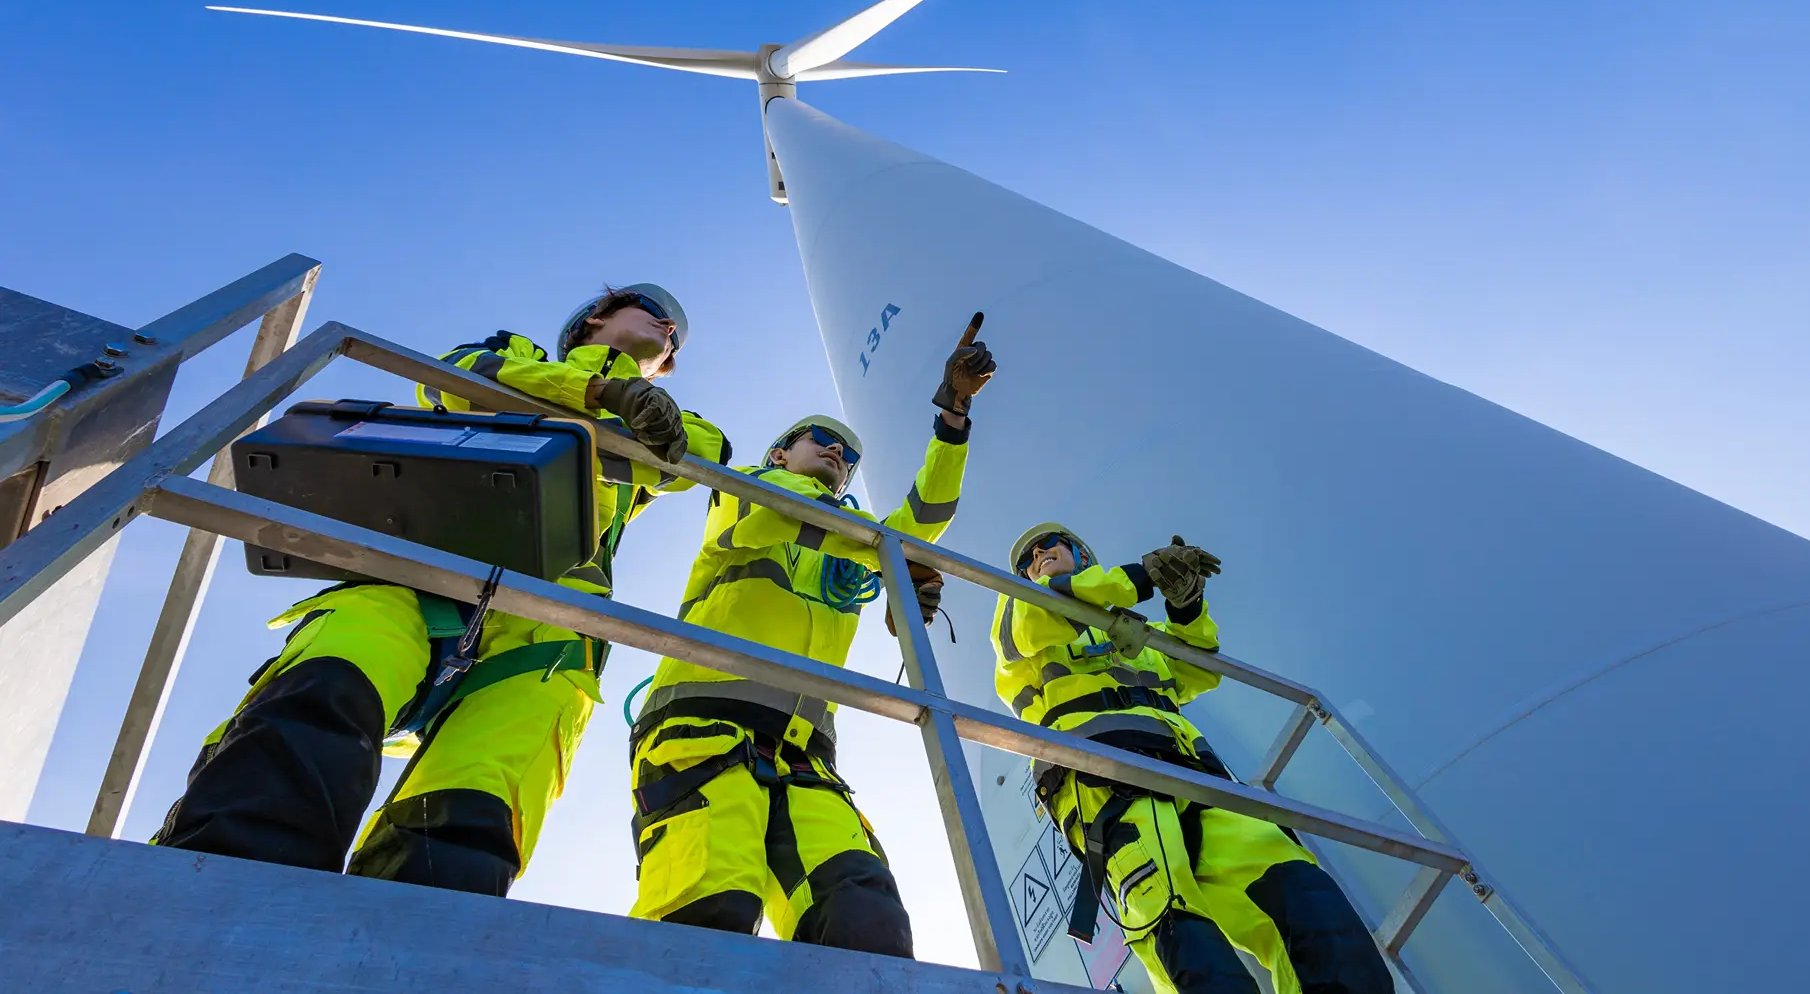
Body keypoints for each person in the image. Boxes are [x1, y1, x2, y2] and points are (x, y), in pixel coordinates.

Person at [153, 283, 729, 897]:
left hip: (550, 626)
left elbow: (708, 455)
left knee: (474, 806)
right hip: (415, 568)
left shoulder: (675, 423)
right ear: (597, 317)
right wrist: (594, 393)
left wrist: (637, 404)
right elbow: (455, 374)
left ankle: (407, 942)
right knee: (328, 691)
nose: (669, 332)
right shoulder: (516, 352)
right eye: (660, 316)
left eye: (676, 341)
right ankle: (206, 892)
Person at [626, 314, 995, 955]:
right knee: (708, 913)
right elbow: (790, 511)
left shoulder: (847, 549)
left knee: (866, 921)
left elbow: (924, 518)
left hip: (806, 756)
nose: (838, 454)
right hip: (702, 730)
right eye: (822, 440)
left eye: (849, 458)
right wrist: (890, 559)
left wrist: (954, 414)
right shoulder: (745, 493)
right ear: (779, 453)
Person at [991, 525, 1393, 994]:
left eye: (1051, 544)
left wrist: (1185, 605)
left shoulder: (1135, 634)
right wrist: (1143, 576)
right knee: (1188, 946)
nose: (1038, 555)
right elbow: (1046, 607)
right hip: (1109, 794)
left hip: (1199, 786)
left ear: (1082, 555)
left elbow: (1198, 668)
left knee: (1308, 900)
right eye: (1028, 558)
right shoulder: (1020, 626)